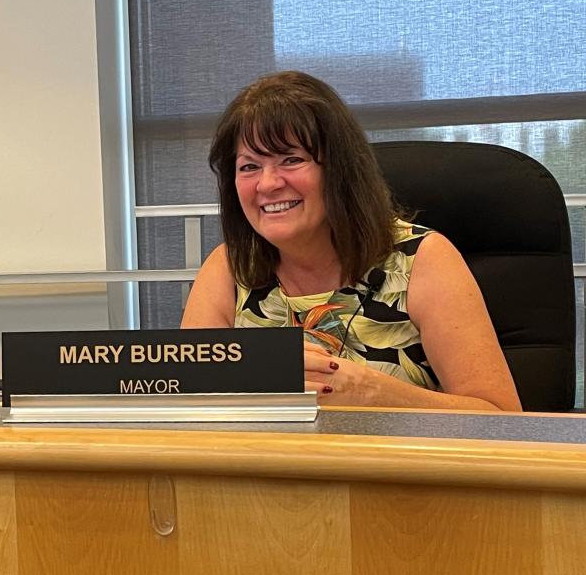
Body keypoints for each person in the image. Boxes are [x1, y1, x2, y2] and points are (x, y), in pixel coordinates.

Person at [182, 71, 521, 411]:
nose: (267, 184)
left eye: (292, 159)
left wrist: (375, 393)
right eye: (249, 166)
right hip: (264, 463)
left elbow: (503, 418)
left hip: (391, 464)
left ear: (340, 169)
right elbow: (184, 409)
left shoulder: (421, 260)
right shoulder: (230, 267)